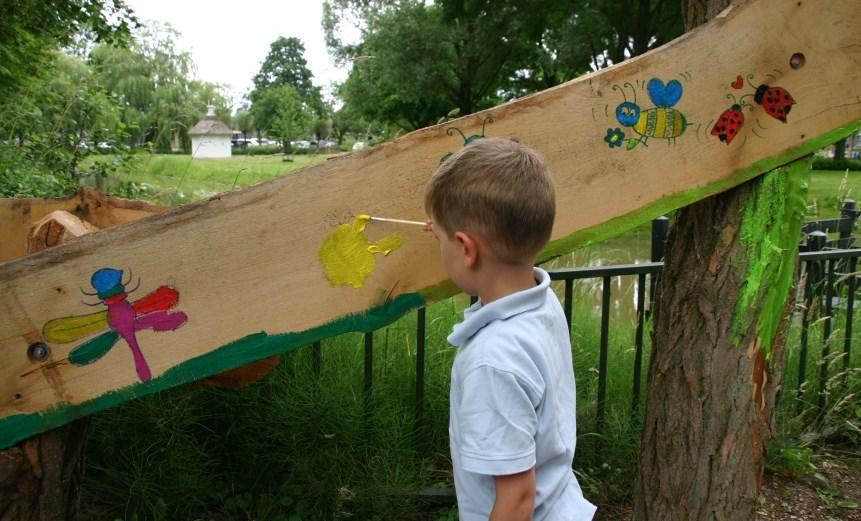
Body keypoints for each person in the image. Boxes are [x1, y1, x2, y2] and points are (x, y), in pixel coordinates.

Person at [424, 137, 596, 520]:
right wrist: (445, 227)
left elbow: (517, 498)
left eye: (439, 241)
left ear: (467, 250)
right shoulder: (540, 299)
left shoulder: (493, 361)